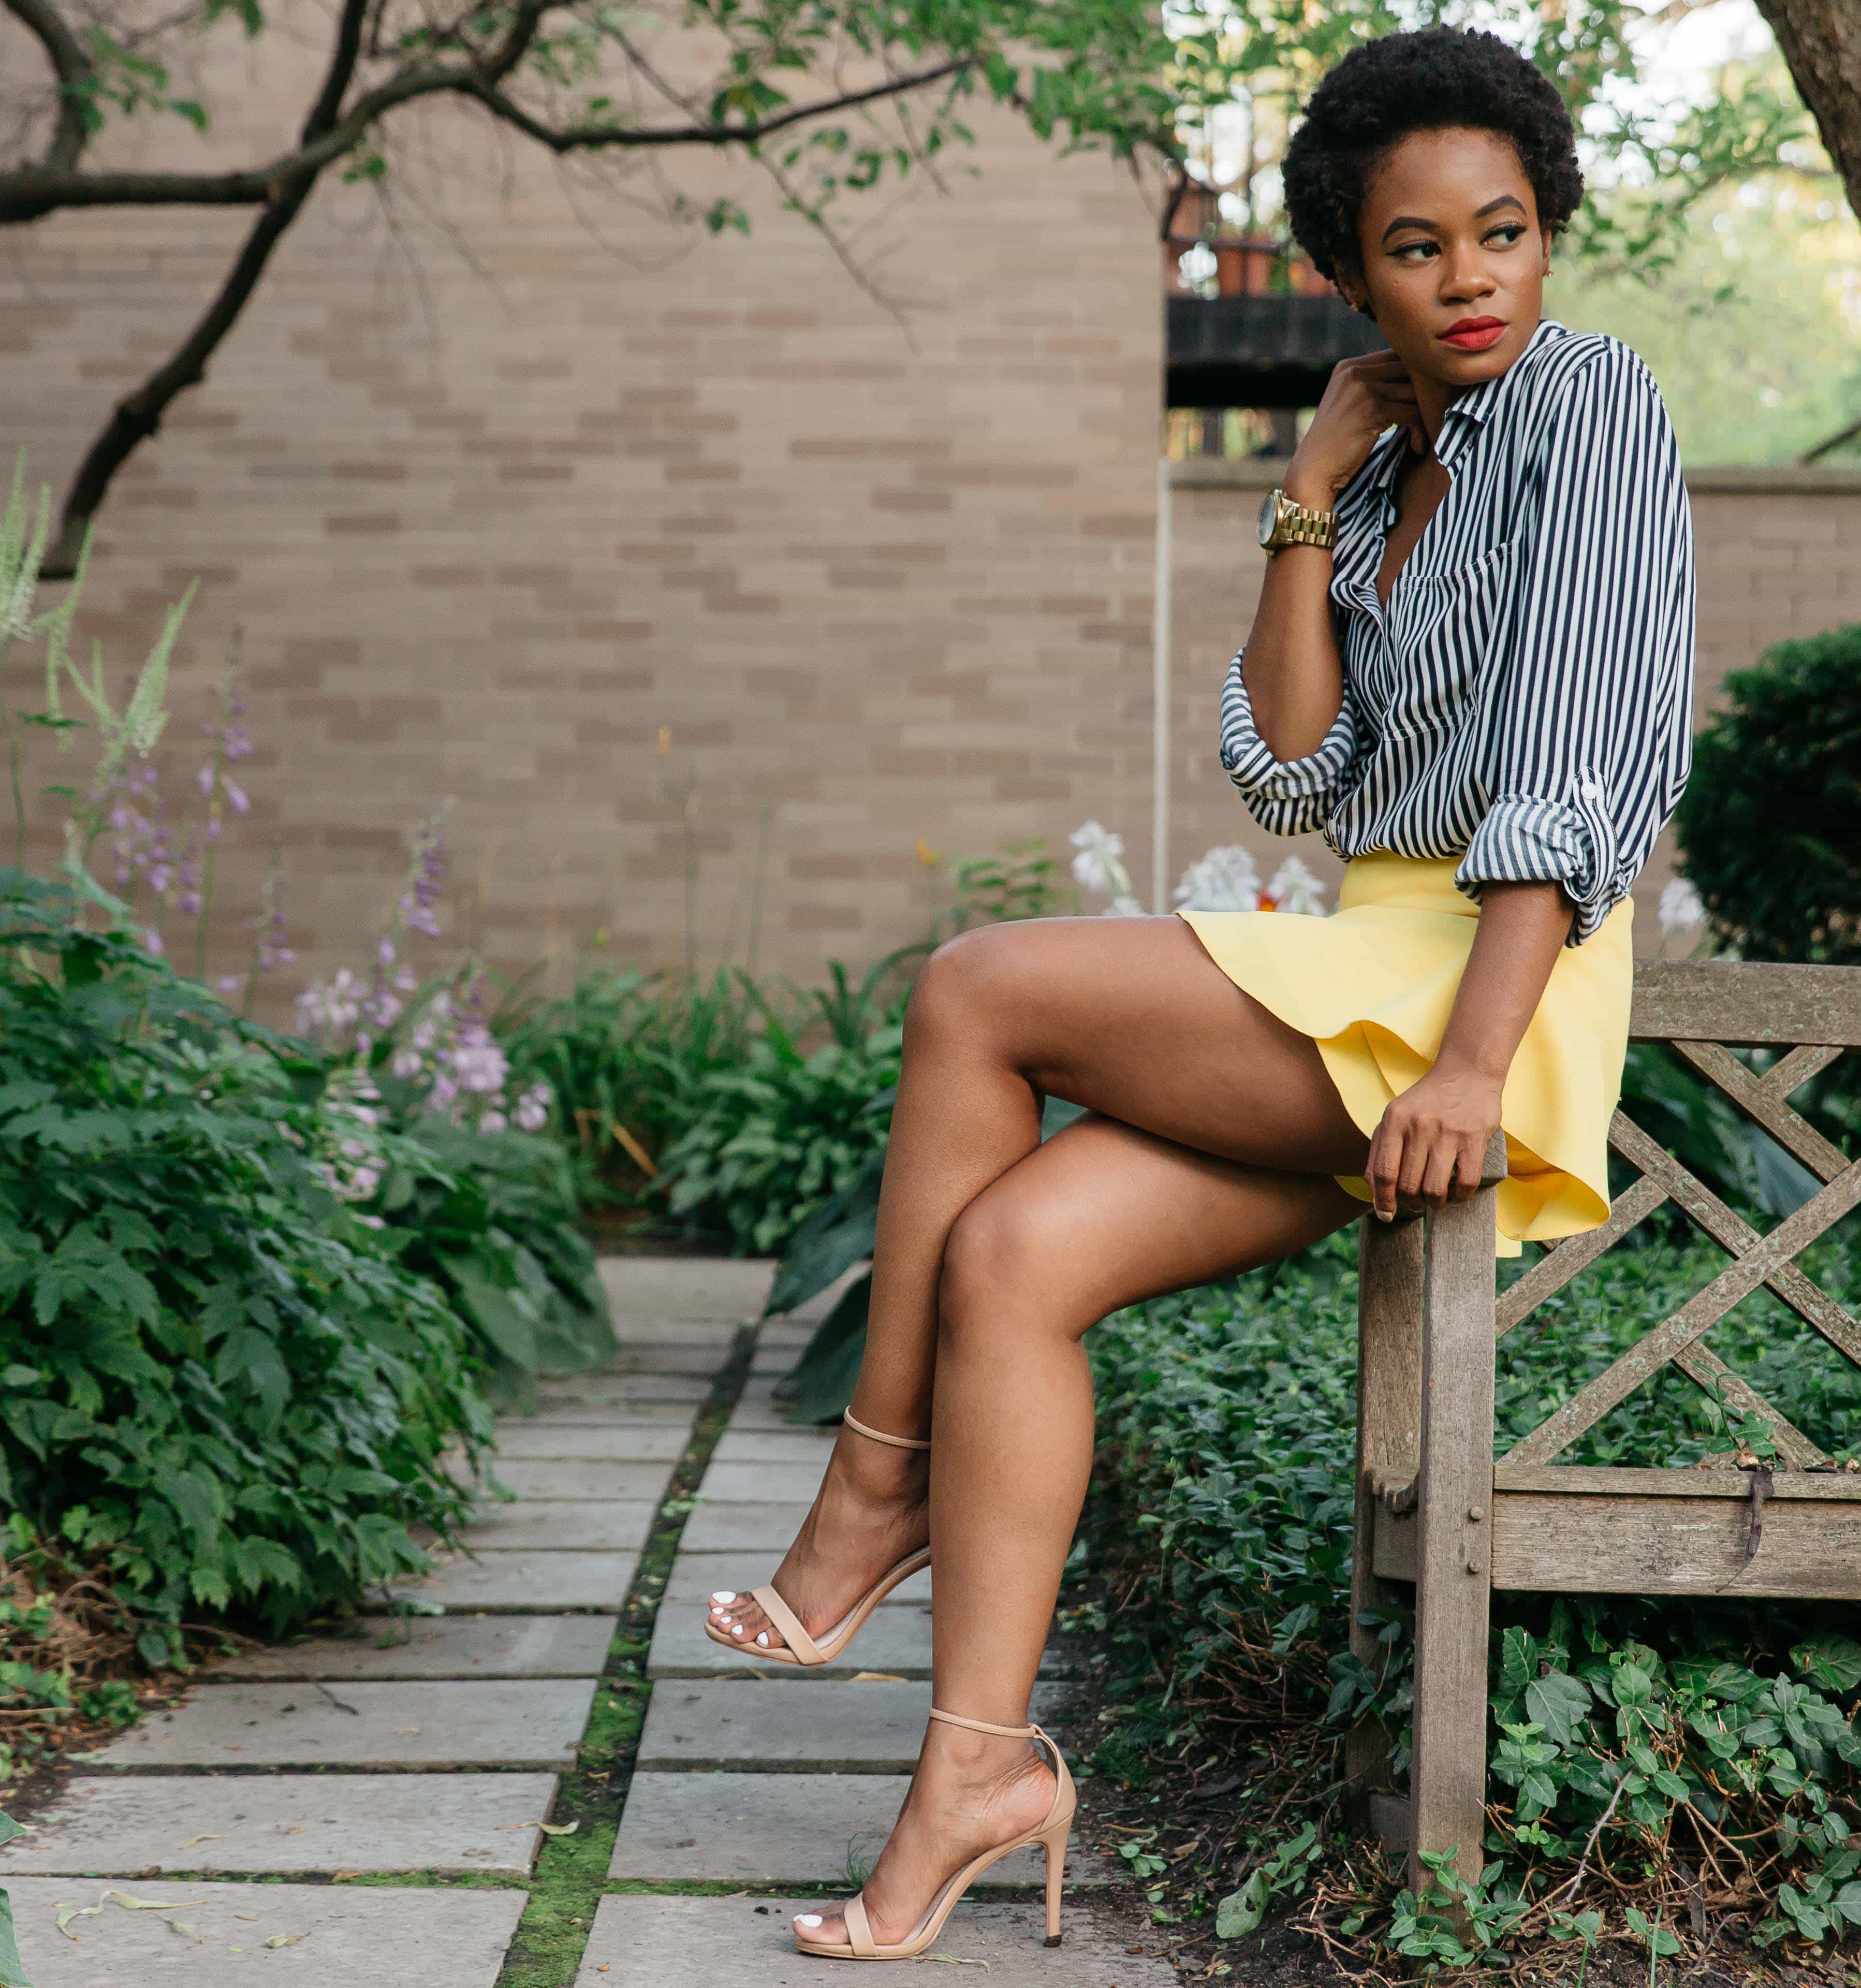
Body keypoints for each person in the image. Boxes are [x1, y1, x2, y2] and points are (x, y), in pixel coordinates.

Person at [702, 23, 1695, 1963]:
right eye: (1419, 248)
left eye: (1504, 231)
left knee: (978, 987)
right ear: (1354, 273)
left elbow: (1582, 763)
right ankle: (975, 1779)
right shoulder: (1389, 455)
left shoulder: (1592, 409)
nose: (1472, 276)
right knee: (1011, 1262)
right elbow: (1293, 771)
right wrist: (1311, 487)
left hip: (1487, 984)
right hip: (1372, 964)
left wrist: (1476, 1058)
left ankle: (865, 1500)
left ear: (1551, 234)